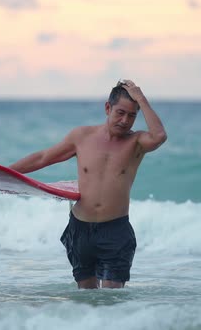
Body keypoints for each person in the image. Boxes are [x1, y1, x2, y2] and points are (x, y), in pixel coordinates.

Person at [9, 79, 167, 289]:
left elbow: (159, 135)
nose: (125, 120)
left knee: (112, 301)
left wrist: (141, 98)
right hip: (80, 229)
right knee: (86, 300)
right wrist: (4, 174)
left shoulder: (136, 142)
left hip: (115, 230)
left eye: (132, 115)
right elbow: (43, 157)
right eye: (120, 112)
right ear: (107, 108)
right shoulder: (81, 137)